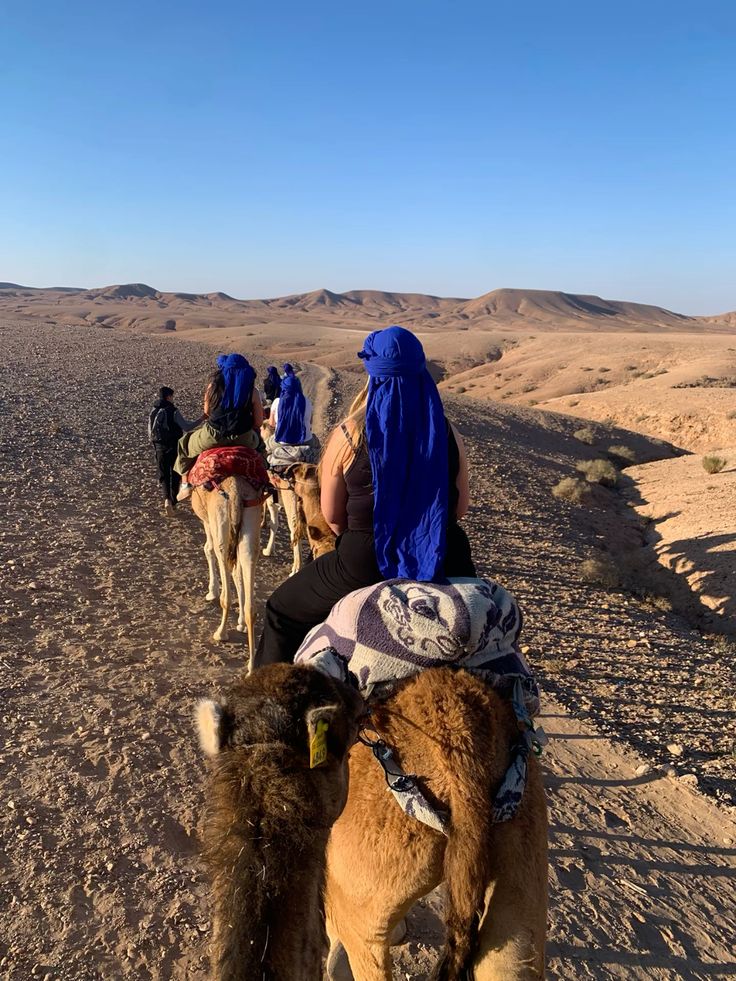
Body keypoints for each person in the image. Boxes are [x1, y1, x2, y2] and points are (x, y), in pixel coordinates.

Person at [254, 325, 476, 668]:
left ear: (373, 375)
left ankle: (274, 710)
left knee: (280, 611)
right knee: (486, 632)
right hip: (445, 554)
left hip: (366, 560)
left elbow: (332, 516)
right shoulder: (449, 432)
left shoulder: (350, 433)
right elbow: (460, 509)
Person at [174, 354, 264, 498]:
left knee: (184, 444)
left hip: (213, 435)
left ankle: (185, 484)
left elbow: (207, 412)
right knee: (262, 449)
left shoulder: (213, 387)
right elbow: (259, 422)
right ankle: (265, 482)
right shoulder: (252, 391)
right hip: (244, 437)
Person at [148, 386, 203, 514]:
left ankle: (166, 499)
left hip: (159, 447)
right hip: (173, 446)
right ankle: (173, 502)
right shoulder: (173, 411)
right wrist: (201, 419)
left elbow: (150, 432)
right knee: (176, 474)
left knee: (164, 475)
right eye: (172, 397)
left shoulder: (154, 411)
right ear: (168, 397)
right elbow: (187, 427)